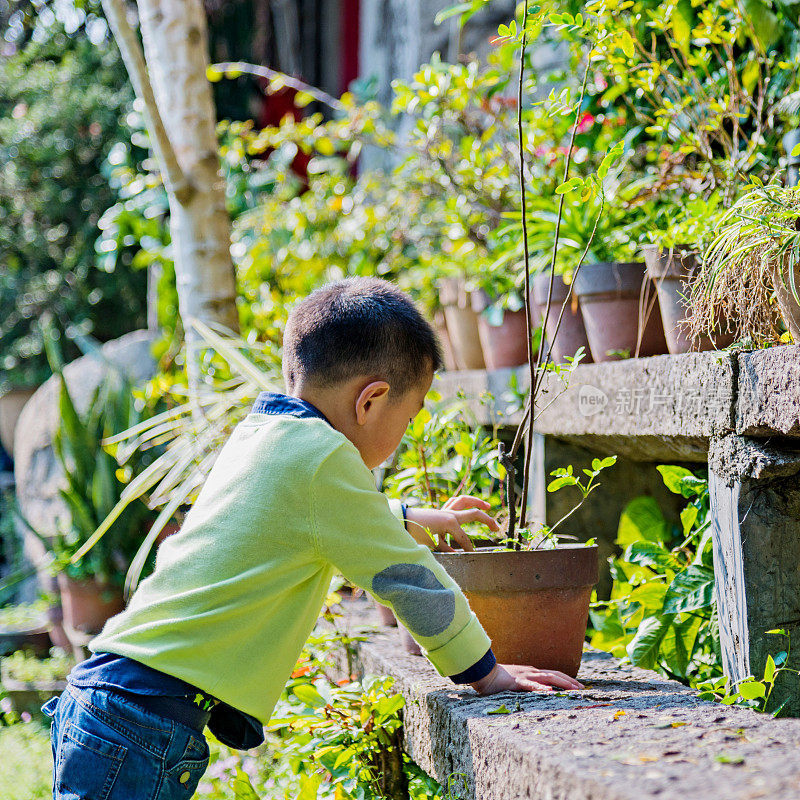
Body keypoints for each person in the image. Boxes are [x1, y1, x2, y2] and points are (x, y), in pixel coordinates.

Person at [44, 278, 582, 800]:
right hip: (142, 723)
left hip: (111, 699)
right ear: (371, 401)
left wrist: (414, 514)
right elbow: (410, 579)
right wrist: (487, 674)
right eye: (410, 415)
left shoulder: (265, 432)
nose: (406, 435)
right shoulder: (324, 458)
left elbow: (294, 519)